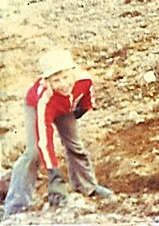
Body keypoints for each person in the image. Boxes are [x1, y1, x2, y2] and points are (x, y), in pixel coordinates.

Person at [3, 49, 113, 217]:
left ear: (73, 73)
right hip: (42, 107)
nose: (63, 84)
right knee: (33, 153)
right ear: (47, 81)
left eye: (65, 77)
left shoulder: (84, 80)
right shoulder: (43, 98)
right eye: (56, 80)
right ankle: (16, 204)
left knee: (75, 145)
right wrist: (53, 173)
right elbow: (44, 141)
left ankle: (87, 186)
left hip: (65, 108)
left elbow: (87, 97)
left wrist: (82, 110)